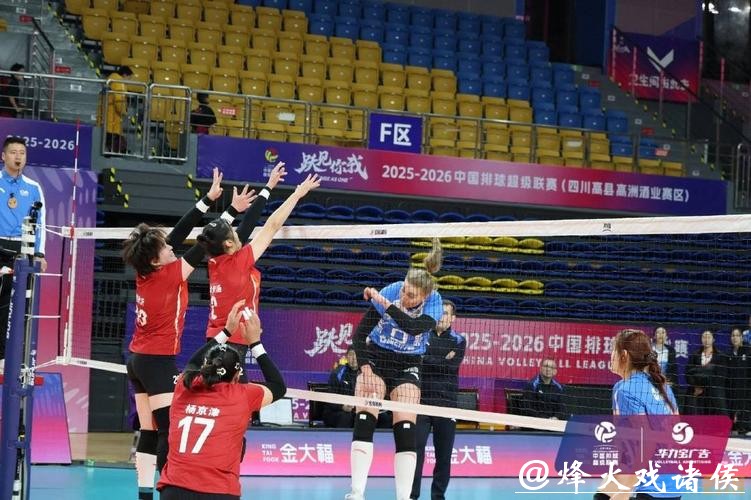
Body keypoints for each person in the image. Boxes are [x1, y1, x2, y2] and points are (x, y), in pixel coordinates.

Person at [123, 168, 253, 500]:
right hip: (156, 362)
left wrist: (206, 200)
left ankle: (144, 495)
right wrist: (231, 211)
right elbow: (206, 242)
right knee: (168, 430)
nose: (172, 249)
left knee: (149, 430)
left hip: (136, 360)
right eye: (166, 251)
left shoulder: (146, 272)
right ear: (157, 262)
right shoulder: (169, 276)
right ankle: (170, 488)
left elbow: (179, 234)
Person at [157, 300, 286, 499]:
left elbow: (192, 363)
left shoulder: (184, 385)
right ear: (237, 376)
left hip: (174, 489)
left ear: (206, 367)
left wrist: (226, 331)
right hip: (218, 491)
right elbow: (278, 386)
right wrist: (255, 343)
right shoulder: (243, 394)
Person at [198, 168, 321, 376]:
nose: (237, 232)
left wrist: (269, 186)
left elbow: (246, 224)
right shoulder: (237, 263)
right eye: (233, 231)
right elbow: (272, 225)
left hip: (217, 339)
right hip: (232, 343)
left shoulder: (215, 261)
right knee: (240, 397)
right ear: (228, 243)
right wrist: (297, 194)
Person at [347, 239, 443, 500]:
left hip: (408, 364)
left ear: (424, 297)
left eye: (411, 296)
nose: (404, 297)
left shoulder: (434, 302)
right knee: (365, 414)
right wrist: (365, 368)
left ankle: (403, 497)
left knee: (405, 426)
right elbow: (359, 336)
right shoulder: (392, 291)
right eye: (404, 290)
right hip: (377, 358)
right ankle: (356, 492)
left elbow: (413, 328)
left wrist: (381, 300)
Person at [594, 329, 681, 500]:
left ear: (624, 355)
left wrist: (624, 491)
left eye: (613, 350)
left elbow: (646, 444)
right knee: (602, 495)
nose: (610, 355)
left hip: (652, 486)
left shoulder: (626, 390)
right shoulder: (663, 386)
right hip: (675, 480)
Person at [410, 299, 465, 500]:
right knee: (415, 451)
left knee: (444, 455)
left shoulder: (459, 340)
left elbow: (451, 367)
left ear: (453, 318)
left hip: (447, 404)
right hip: (421, 402)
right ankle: (411, 495)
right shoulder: (423, 335)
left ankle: (438, 496)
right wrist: (442, 360)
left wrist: (429, 359)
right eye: (440, 313)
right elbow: (418, 361)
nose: (442, 317)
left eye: (446, 313)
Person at [0, 136, 46, 363]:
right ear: (3, 156)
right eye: (13, 152)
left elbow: (41, 224)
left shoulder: (34, 188)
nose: (18, 157)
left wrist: (39, 254)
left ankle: (4, 358)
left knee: (13, 304)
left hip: (21, 249)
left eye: (22, 153)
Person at [685, 329, 727, 416]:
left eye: (709, 337)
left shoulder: (720, 356)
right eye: (704, 337)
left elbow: (720, 376)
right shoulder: (695, 355)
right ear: (701, 339)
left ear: (713, 339)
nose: (706, 340)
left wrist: (704, 386)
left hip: (713, 394)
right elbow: (688, 373)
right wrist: (696, 386)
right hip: (697, 393)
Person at [322, 348, 359, 428]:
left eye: (357, 355)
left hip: (356, 411)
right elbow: (330, 397)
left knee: (382, 418)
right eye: (351, 354)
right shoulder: (337, 373)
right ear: (346, 357)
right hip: (335, 411)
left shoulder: (366, 374)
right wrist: (342, 406)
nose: (354, 358)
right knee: (346, 416)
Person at [102, 65, 132, 154]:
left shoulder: (111, 79)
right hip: (114, 114)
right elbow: (119, 99)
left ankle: (116, 149)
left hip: (108, 110)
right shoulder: (119, 82)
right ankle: (115, 150)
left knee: (110, 133)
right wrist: (123, 111)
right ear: (125, 75)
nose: (129, 80)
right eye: (129, 78)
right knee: (113, 133)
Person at [727, 327, 751, 435]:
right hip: (733, 389)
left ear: (742, 337)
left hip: (746, 389)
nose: (735, 338)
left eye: (737, 335)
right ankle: (735, 426)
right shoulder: (729, 354)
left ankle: (747, 427)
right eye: (733, 335)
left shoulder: (748, 351)